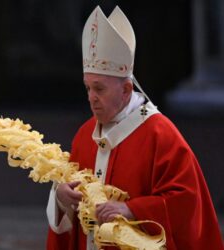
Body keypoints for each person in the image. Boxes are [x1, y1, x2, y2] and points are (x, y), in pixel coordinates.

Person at [46, 5, 223, 250]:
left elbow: (188, 203)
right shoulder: (84, 135)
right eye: (87, 88)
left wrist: (131, 209)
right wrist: (61, 199)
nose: (91, 97)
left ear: (127, 90)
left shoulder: (160, 134)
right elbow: (68, 200)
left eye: (99, 89)